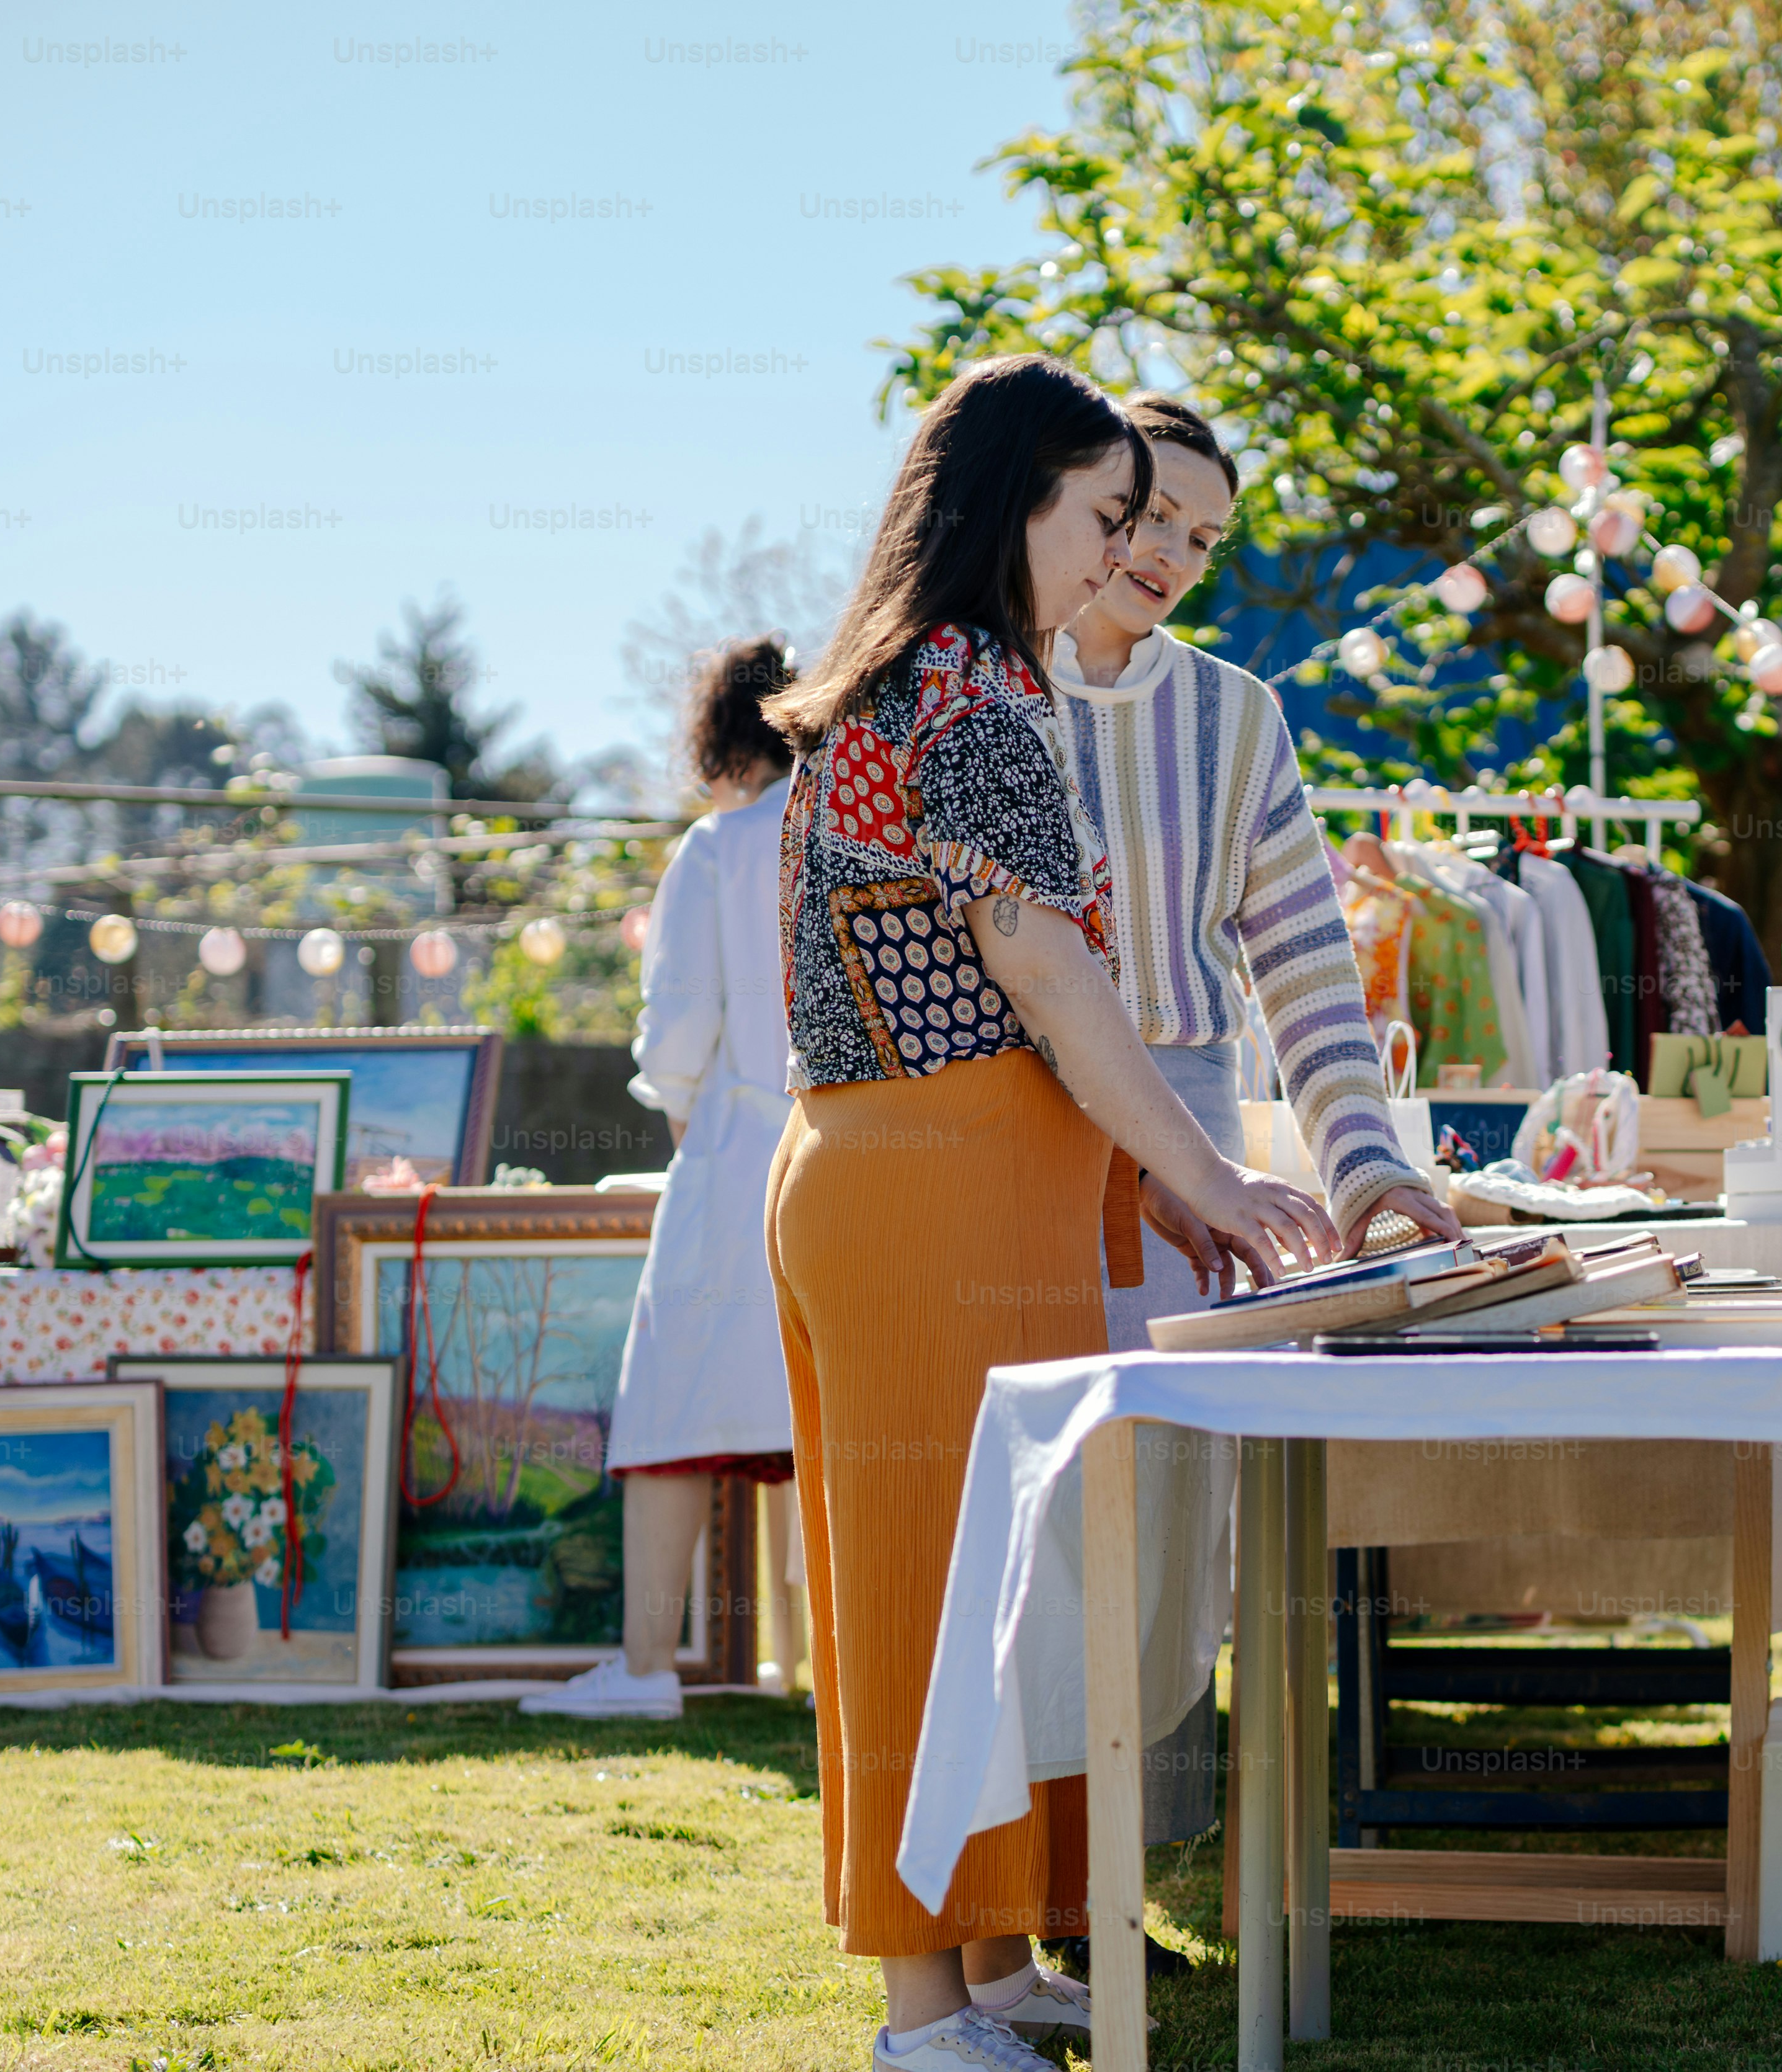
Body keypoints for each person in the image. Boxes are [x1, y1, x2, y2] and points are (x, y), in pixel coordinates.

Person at [759, 351, 1336, 2072]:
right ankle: (922, 2011)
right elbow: (1051, 967)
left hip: (937, 1186)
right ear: (1015, 500)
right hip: (927, 1193)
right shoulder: (967, 691)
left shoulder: (929, 679)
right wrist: (1206, 1171)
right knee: (932, 1603)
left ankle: (994, 1967)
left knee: (987, 1595)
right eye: (1104, 516)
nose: (1119, 556)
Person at [1044, 394, 1465, 1942]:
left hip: (1194, 1136)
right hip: (1015, 1151)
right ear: (1090, 501)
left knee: (1163, 1526)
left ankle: (1118, 1882)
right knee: (1026, 1515)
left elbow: (1306, 976)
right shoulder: (979, 690)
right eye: (1151, 519)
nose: (1170, 557)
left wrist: (1373, 1179)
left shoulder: (1235, 718)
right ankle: (1014, 1890)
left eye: (1204, 540)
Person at [525, 636, 802, 1723]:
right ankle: (835, 1666)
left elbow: (679, 1026)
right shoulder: (855, 831)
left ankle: (644, 1669)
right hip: (853, 1152)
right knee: (830, 1416)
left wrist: (685, 1105)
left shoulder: (721, 850)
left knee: (672, 1405)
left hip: (738, 1157)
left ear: (719, 732)